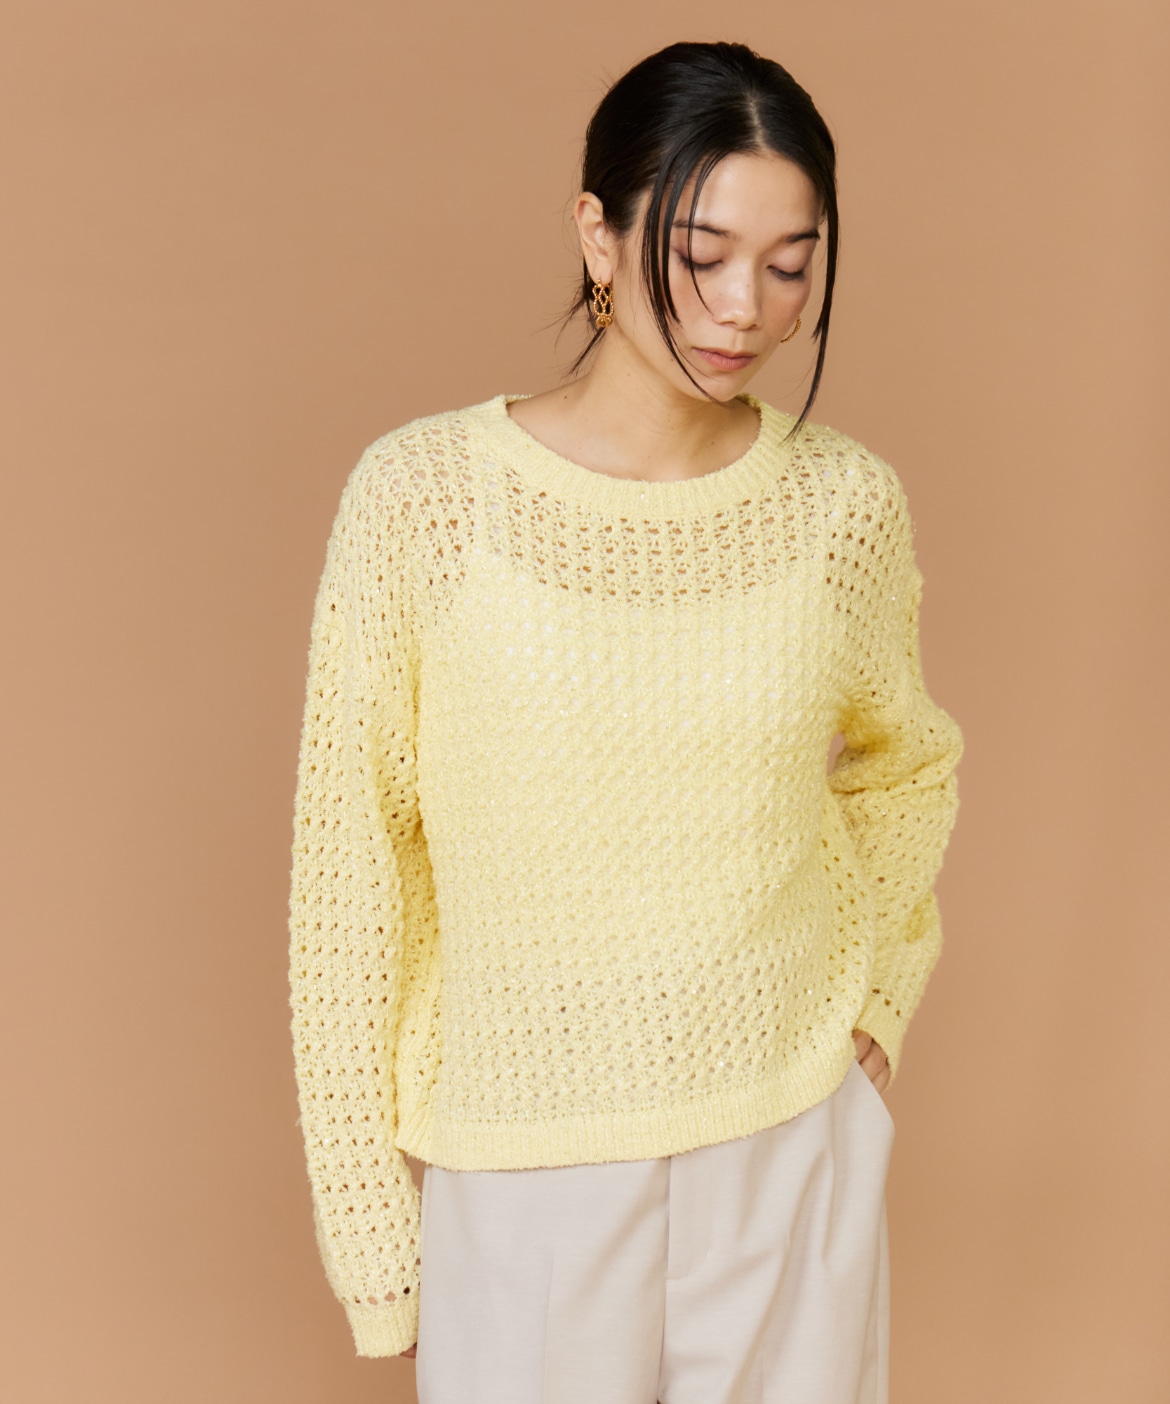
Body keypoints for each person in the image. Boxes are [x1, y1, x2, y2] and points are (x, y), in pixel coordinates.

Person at [288, 39, 962, 1404]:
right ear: (596, 234)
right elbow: (349, 872)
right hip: (524, 1160)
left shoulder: (843, 506)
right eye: (700, 255)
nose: (746, 308)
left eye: (791, 265)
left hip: (787, 1136)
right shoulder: (425, 501)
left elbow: (908, 767)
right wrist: (370, 1235)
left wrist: (875, 1003)